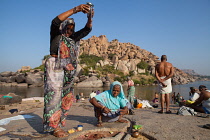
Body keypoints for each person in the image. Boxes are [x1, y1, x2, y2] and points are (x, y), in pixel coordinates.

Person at [43, 3, 94, 138]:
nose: (69, 32)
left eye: (72, 29)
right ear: (62, 27)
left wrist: (89, 18)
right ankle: (54, 127)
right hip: (55, 67)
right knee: (54, 97)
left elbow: (87, 30)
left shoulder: (72, 38)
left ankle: (60, 122)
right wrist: (76, 10)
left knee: (66, 97)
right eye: (67, 28)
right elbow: (55, 21)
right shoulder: (56, 35)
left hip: (69, 71)